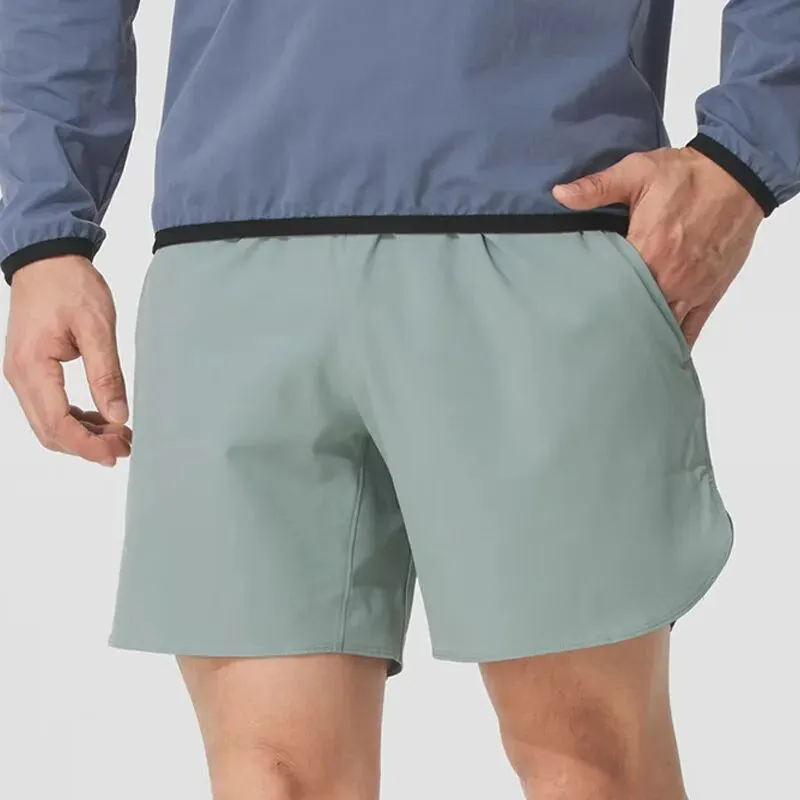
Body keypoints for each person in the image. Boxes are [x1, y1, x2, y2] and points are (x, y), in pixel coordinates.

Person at [1, 1, 798, 797]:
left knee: (589, 761)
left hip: (537, 217)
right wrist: (44, 234)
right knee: (273, 776)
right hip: (230, 245)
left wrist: (743, 156)